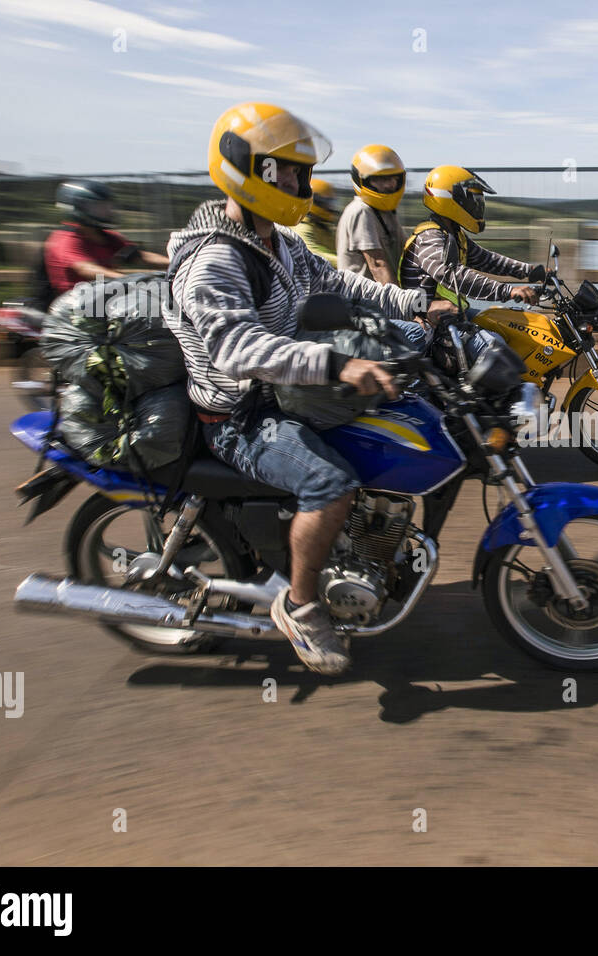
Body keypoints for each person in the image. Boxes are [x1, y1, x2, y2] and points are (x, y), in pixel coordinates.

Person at [165, 101, 452, 675]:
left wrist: (418, 304)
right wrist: (337, 364)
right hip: (240, 414)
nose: (301, 183)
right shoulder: (215, 259)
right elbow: (237, 349)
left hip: (284, 392)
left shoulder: (280, 242)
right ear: (253, 171)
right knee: (330, 482)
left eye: (299, 171)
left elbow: (346, 285)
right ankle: (300, 605)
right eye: (289, 172)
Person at [397, 165, 544, 316]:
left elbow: (487, 260)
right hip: (427, 319)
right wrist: (509, 291)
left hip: (451, 314)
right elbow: (450, 274)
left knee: (508, 322)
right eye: (473, 199)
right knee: (494, 339)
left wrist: (531, 271)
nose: (478, 205)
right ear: (451, 199)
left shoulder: (453, 235)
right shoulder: (430, 237)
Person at [41, 180, 169, 299]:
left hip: (101, 302)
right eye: (99, 207)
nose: (108, 211)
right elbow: (86, 269)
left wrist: (179, 262)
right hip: (72, 309)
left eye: (108, 206)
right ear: (79, 207)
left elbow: (140, 256)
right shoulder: (65, 240)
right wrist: (133, 281)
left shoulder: (106, 236)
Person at [336, 144, 407, 284]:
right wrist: (402, 302)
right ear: (363, 180)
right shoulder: (361, 211)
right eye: (380, 179)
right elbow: (378, 266)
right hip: (360, 300)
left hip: (378, 296)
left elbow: (407, 251)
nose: (389, 185)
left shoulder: (386, 212)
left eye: (393, 178)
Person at [293, 178, 341, 266]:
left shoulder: (322, 227)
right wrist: (343, 261)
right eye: (326, 204)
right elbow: (312, 254)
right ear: (315, 202)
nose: (330, 208)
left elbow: (339, 249)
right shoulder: (302, 227)